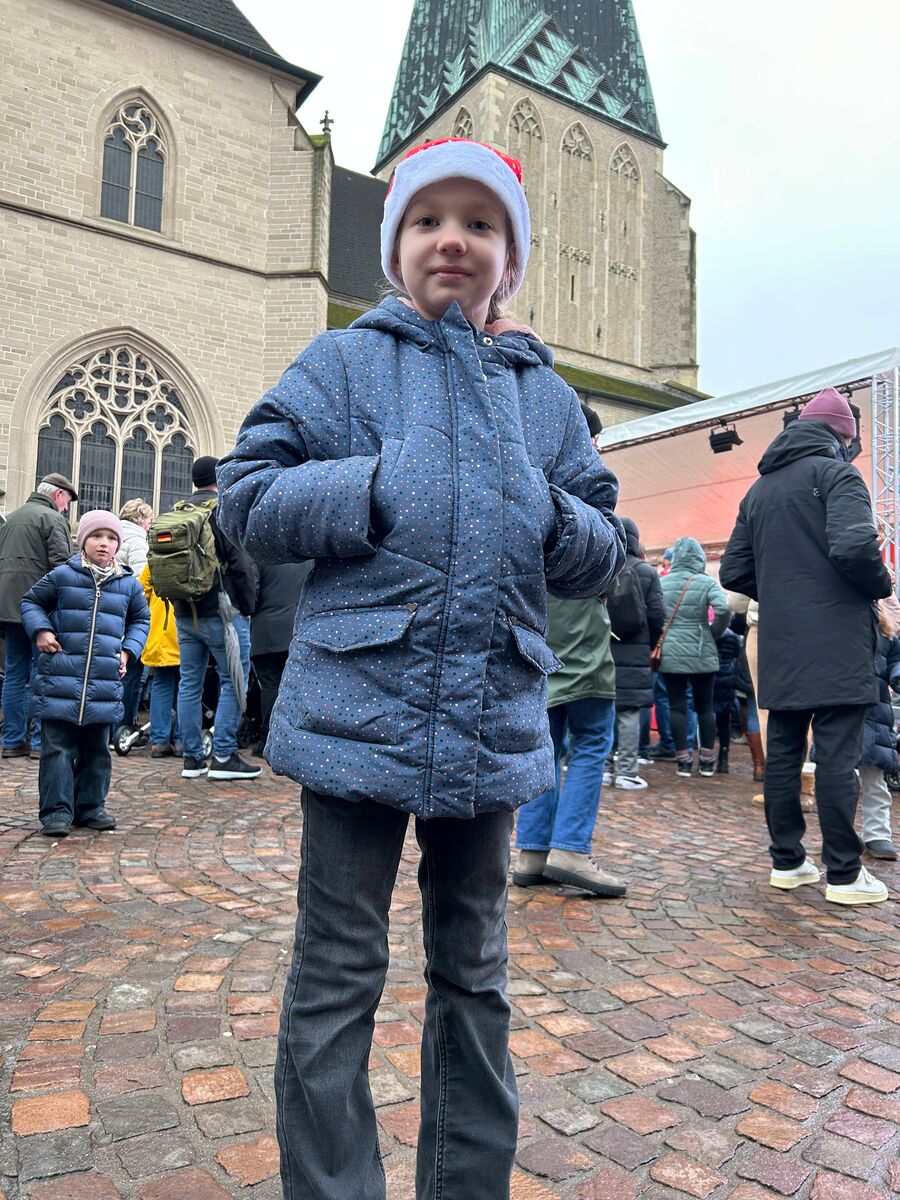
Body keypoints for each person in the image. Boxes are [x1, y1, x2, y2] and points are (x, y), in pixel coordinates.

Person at [216, 137, 625, 1200]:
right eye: (429, 220)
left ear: (509, 260)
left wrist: (552, 517)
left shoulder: (546, 397)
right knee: (337, 973)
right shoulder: (342, 363)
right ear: (396, 247)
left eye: (480, 223)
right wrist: (371, 486)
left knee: (475, 974)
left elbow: (606, 545)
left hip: (491, 714)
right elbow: (246, 496)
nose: (453, 239)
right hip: (359, 710)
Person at [721, 386, 893, 905]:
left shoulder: (758, 491)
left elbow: (733, 572)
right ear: (843, 437)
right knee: (838, 754)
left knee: (784, 753)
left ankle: (788, 863)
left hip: (781, 639)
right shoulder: (838, 475)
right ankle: (844, 874)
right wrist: (881, 586)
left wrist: (786, 592)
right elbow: (855, 547)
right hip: (838, 638)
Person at [20, 511, 149, 837]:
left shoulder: (128, 585)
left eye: (111, 538)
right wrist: (41, 630)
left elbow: (140, 620)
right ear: (83, 541)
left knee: (97, 751)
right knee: (57, 749)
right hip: (60, 679)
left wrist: (128, 650)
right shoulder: (62, 576)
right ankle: (56, 811)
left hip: (103, 683)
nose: (104, 543)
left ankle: (90, 807)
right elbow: (31, 602)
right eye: (96, 536)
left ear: (118, 544)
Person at [513, 587, 625, 896]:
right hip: (584, 645)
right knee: (591, 743)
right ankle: (570, 849)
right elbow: (608, 576)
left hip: (541, 644)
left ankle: (532, 854)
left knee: (545, 749)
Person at [170, 456, 260, 782]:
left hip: (185, 614)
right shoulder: (222, 510)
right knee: (233, 682)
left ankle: (192, 758)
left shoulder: (178, 511)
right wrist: (248, 606)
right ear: (219, 478)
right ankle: (223, 755)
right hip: (223, 614)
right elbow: (243, 565)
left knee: (189, 684)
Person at [0, 473, 77, 757]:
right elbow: (61, 568)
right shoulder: (52, 519)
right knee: (43, 673)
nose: (66, 508)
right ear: (58, 495)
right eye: (67, 502)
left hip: (8, 608)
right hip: (40, 610)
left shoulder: (11, 519)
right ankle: (39, 741)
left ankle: (11, 741)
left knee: (14, 673)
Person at [659, 536, 731, 777]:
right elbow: (723, 609)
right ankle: (707, 762)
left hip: (671, 651)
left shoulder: (663, 583)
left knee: (676, 706)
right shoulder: (706, 582)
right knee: (705, 707)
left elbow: (653, 613)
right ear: (699, 558)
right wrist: (713, 633)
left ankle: (683, 762)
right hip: (702, 650)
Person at [608, 517, 665, 789]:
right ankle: (627, 772)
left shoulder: (603, 564)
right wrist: (649, 642)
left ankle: (603, 766)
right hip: (635, 647)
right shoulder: (646, 571)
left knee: (603, 707)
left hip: (602, 646)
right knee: (629, 711)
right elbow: (657, 614)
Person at [250, 561, 312, 756]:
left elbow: (251, 592)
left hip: (265, 631)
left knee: (270, 687)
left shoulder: (262, 556)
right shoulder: (309, 557)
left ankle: (267, 739)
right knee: (298, 688)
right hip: (298, 628)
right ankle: (295, 738)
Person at [855, 596, 900, 860]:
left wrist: (897, 674)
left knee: (875, 779)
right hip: (843, 706)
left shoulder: (885, 628)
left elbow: (896, 656)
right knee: (842, 778)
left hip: (875, 710)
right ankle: (840, 832)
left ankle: (878, 833)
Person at [116, 499, 153, 735]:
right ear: (141, 519)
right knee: (131, 672)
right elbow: (142, 581)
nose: (150, 525)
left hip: (112, 611)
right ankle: (123, 727)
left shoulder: (113, 534)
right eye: (149, 520)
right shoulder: (138, 540)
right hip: (129, 614)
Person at [138, 564, 181, 757]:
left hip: (160, 631)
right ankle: (183, 740)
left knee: (162, 683)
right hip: (187, 628)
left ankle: (159, 741)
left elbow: (141, 594)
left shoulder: (155, 560)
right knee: (189, 686)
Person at [712, 624, 742, 774]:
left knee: (705, 715)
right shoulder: (733, 637)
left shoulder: (707, 633)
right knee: (724, 720)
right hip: (726, 679)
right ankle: (723, 758)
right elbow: (737, 653)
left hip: (709, 677)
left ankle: (706, 756)